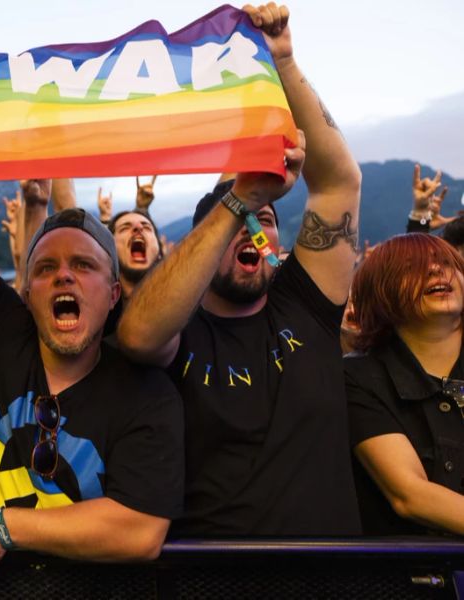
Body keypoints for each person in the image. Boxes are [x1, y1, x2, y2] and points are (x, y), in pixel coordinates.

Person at [117, 3, 362, 536]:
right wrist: (240, 198)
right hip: (219, 578)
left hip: (336, 577)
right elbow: (136, 336)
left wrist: (285, 62)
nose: (255, 230)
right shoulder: (180, 331)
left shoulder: (305, 303)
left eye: (268, 221)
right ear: (202, 243)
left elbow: (340, 183)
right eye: (241, 220)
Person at [0, 179, 183, 574]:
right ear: (27, 295)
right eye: (46, 267)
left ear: (113, 294)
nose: (64, 276)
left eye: (83, 265)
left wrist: (3, 526)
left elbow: (140, 530)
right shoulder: (1, 336)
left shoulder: (146, 391)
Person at [345, 234, 464, 535]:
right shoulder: (358, 377)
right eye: (413, 266)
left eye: (448, 263)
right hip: (420, 573)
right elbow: (410, 495)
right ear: (381, 290)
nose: (436, 270)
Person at [107, 209, 163, 300]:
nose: (138, 227)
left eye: (147, 227)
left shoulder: (186, 303)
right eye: (124, 228)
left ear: (159, 252)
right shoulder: (98, 309)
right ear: (109, 250)